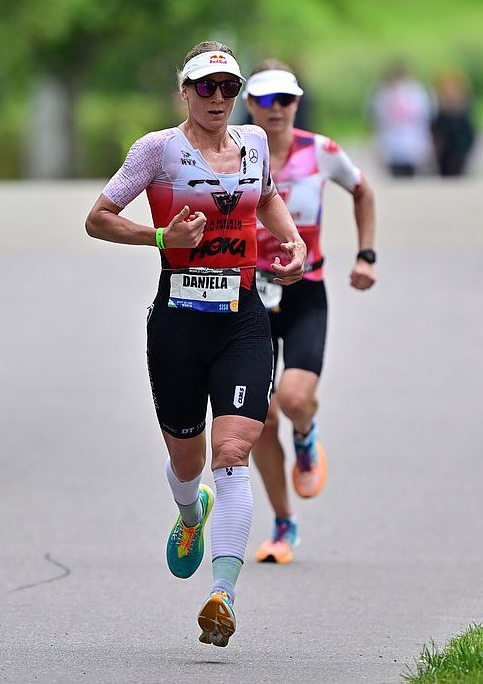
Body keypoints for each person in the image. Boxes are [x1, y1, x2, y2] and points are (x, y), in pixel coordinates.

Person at [84, 42, 307, 647]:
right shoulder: (157, 150)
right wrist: (161, 235)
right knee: (188, 460)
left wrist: (291, 245)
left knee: (232, 450)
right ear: (184, 91)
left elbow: (265, 199)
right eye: (204, 88)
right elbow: (98, 218)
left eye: (227, 88)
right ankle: (190, 515)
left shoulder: (254, 145)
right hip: (177, 325)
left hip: (242, 319)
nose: (217, 99)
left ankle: (223, 596)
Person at [242, 61, 376, 564]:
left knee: (295, 399)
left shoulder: (319, 150)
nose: (275, 110)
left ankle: (306, 435)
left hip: (305, 291)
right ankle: (283, 523)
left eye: (285, 100)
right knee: (258, 417)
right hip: (246, 294)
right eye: (265, 100)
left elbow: (362, 189)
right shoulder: (232, 153)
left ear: (297, 103)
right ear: (249, 102)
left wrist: (367, 254)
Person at [371, 61, 433, 177]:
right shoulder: (385, 93)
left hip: (412, 143)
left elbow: (425, 118)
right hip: (393, 144)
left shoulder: (416, 92)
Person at [430, 70, 477, 178]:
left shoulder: (464, 107)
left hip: (459, 149)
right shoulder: (440, 109)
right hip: (445, 152)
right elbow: (436, 129)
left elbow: (470, 130)